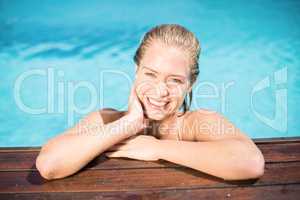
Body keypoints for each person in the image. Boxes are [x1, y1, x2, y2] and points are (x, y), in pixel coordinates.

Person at [36, 24, 265, 181]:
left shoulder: (196, 124)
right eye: (150, 74)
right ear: (136, 71)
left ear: (190, 84)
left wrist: (156, 148)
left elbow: (250, 163)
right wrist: (128, 124)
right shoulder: (108, 120)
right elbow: (49, 165)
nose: (160, 91)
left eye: (174, 80)